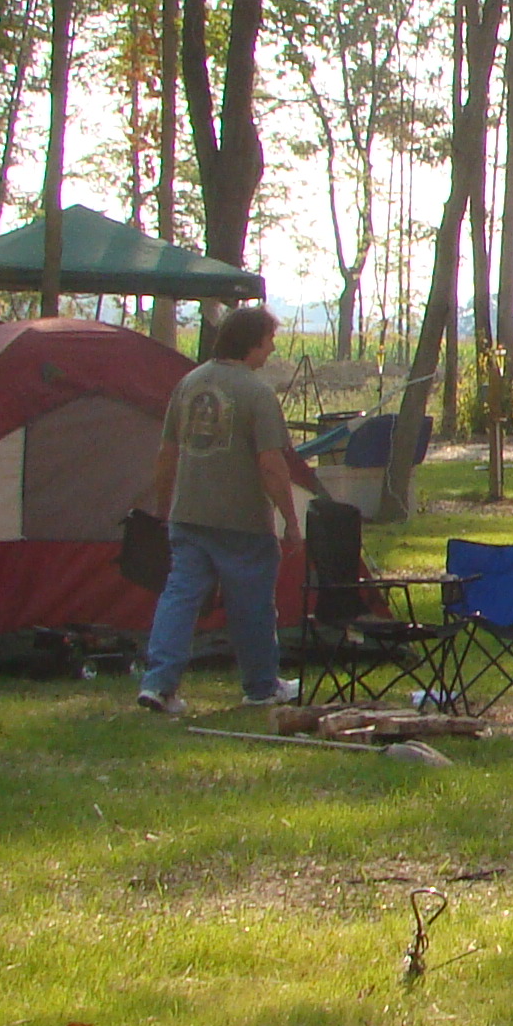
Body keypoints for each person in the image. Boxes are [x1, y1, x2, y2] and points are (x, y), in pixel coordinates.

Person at [135, 303, 302, 716]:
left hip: (187, 515)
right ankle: (261, 685)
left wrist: (164, 507)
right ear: (251, 344)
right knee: (252, 605)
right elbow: (271, 464)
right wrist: (290, 520)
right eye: (268, 342)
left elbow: (166, 453)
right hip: (241, 520)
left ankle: (159, 684)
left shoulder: (188, 385)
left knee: (179, 598)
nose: (271, 350)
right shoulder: (256, 393)